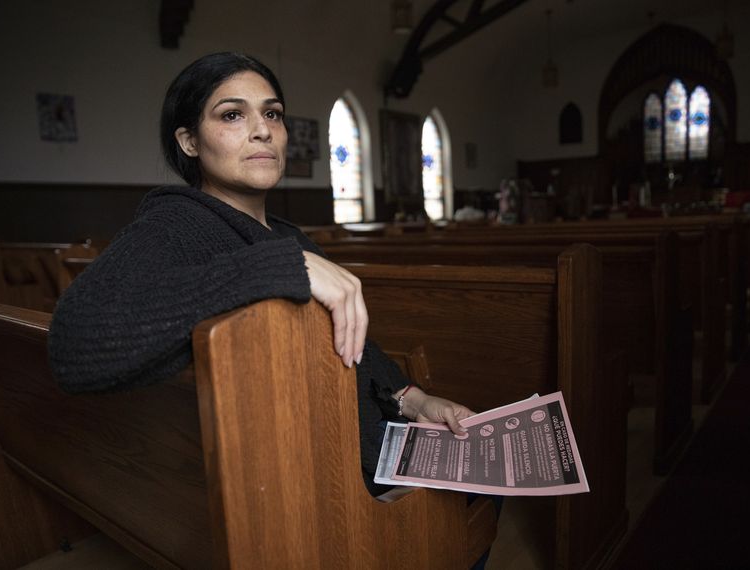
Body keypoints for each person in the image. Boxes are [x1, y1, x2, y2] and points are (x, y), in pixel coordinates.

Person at [47, 52, 476, 497]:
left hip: (359, 451)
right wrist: (277, 266)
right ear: (190, 142)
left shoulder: (290, 236)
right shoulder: (173, 225)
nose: (263, 129)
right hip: (314, 487)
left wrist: (414, 398)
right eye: (232, 114)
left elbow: (352, 345)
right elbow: (74, 346)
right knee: (474, 493)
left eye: (272, 113)